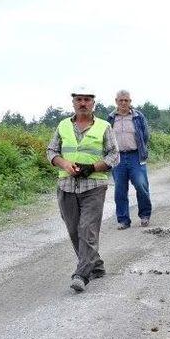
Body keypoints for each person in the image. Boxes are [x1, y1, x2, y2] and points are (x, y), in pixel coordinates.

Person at [47, 87, 119, 292]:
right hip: (66, 186)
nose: (83, 103)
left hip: (94, 185)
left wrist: (93, 167)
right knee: (73, 230)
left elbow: (114, 155)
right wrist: (63, 164)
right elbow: (51, 150)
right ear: (73, 103)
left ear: (93, 104)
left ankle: (81, 274)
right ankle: (95, 265)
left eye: (87, 100)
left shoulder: (104, 127)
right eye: (79, 99)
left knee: (87, 229)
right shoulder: (62, 126)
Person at [106, 90, 152, 230]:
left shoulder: (138, 116)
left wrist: (139, 149)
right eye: (121, 100)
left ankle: (145, 215)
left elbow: (145, 136)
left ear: (130, 101)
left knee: (141, 185)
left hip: (135, 156)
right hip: (117, 157)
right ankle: (123, 220)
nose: (124, 103)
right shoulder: (110, 118)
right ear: (116, 101)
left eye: (126, 100)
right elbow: (106, 138)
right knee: (120, 189)